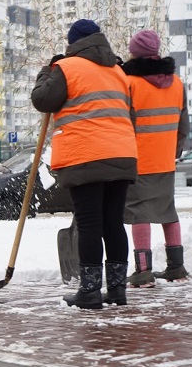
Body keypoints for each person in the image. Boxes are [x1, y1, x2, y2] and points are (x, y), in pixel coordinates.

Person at [31, 19, 138, 309]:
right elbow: (129, 113)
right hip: (121, 153)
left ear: (73, 42)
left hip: (86, 154)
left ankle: (90, 291)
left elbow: (42, 100)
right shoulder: (118, 70)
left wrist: (46, 72)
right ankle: (117, 290)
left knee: (90, 223)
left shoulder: (66, 68)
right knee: (113, 223)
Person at [121, 30, 190, 287]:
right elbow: (184, 125)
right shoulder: (177, 83)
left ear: (134, 53)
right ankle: (176, 267)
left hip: (138, 159)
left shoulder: (129, 83)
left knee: (140, 213)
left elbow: (124, 124)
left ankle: (143, 271)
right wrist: (174, 150)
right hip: (165, 159)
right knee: (167, 210)